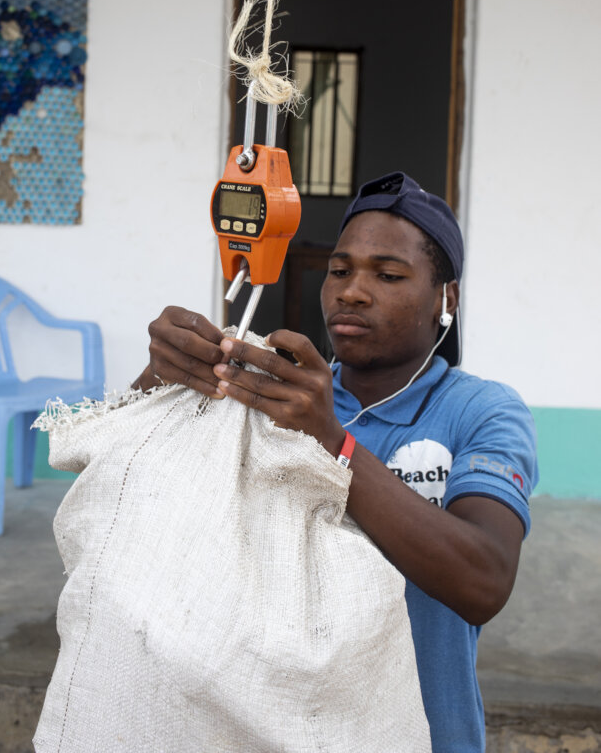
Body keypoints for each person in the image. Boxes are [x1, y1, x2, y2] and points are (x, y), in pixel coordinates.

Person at [133, 170, 538, 753]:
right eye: (340, 270)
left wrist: (333, 445)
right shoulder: (271, 390)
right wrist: (162, 376)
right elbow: (131, 491)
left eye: (388, 274)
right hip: (267, 729)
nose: (351, 291)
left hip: (423, 734)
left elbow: (484, 580)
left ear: (445, 298)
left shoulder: (481, 411)